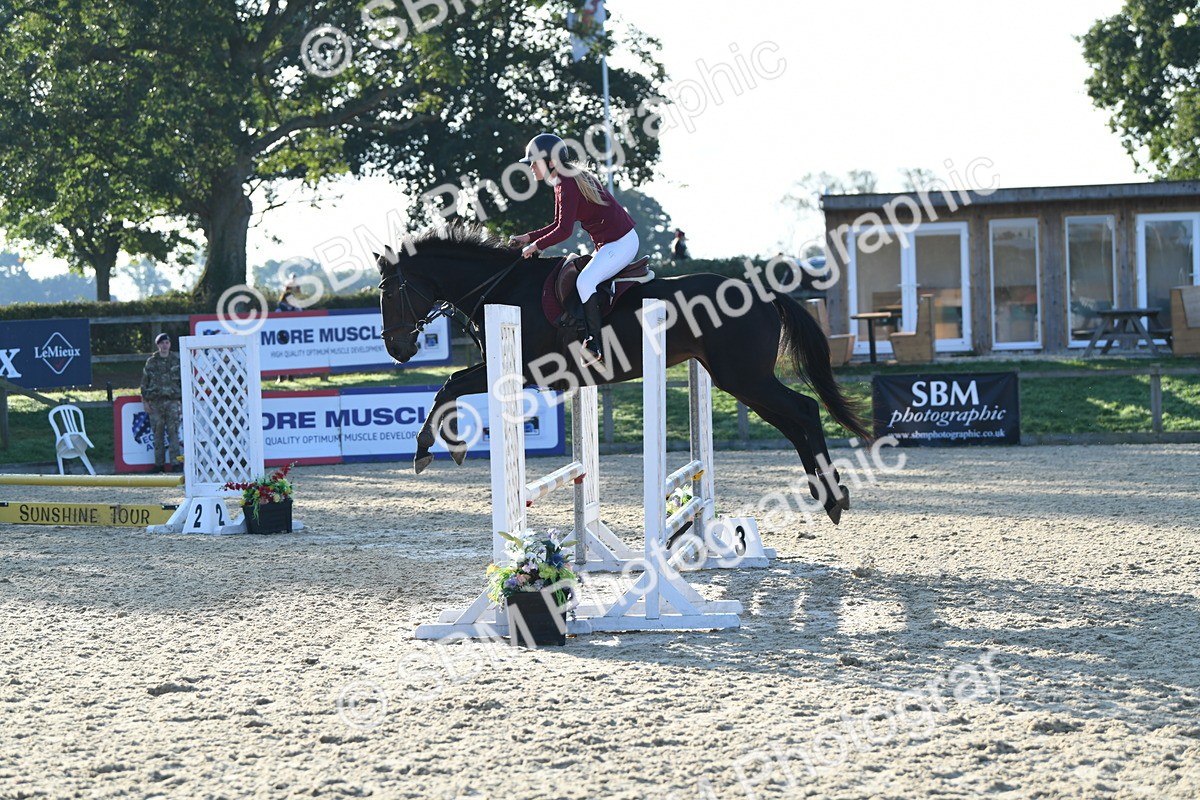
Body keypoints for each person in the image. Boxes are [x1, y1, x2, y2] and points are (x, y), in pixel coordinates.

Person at [510, 133, 639, 365]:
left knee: (585, 281)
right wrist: (528, 237)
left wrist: (534, 247)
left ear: (550, 162)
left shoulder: (566, 182)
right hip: (612, 242)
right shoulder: (563, 181)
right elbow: (558, 225)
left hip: (621, 243)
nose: (530, 167)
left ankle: (594, 343)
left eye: (533, 161)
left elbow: (563, 232)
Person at [140, 333, 182, 473]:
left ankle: (176, 463)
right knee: (157, 434)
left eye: (167, 342)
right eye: (162, 343)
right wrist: (145, 401)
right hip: (156, 403)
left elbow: (182, 382)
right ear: (157, 345)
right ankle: (159, 464)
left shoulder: (176, 360)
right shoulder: (151, 362)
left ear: (170, 344)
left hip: (172, 401)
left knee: (173, 433)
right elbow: (144, 383)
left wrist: (182, 402)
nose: (164, 345)